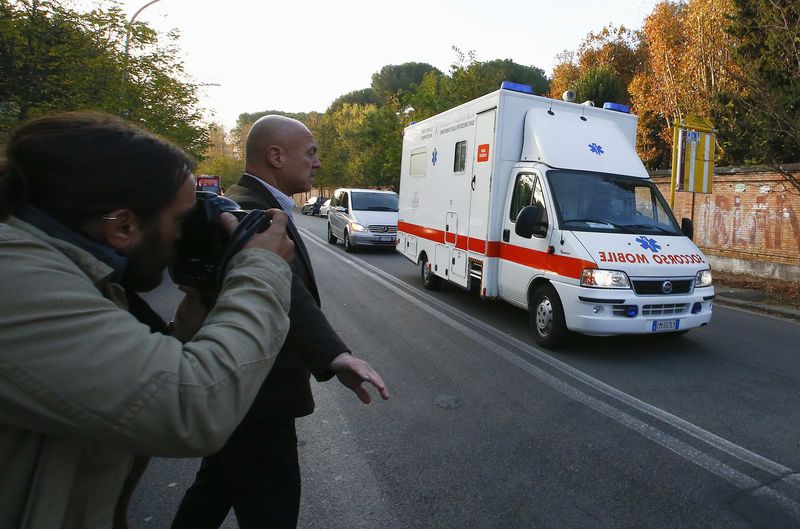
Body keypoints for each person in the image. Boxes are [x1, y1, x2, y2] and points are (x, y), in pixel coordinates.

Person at [0, 112, 297, 529]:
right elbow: (192, 406)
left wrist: (199, 307)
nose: (180, 236)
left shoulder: (64, 273)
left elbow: (135, 377)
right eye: (178, 220)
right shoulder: (17, 281)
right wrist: (261, 268)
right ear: (123, 225)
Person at [171, 115, 390, 529]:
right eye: (310, 153)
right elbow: (285, 290)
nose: (318, 164)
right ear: (275, 156)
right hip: (258, 396)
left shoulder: (253, 206)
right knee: (272, 510)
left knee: (214, 488)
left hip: (243, 393)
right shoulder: (246, 212)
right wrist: (334, 355)